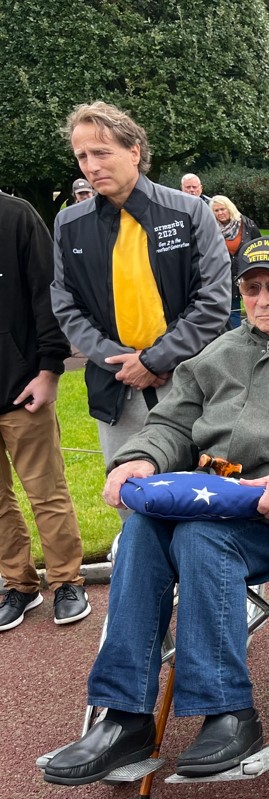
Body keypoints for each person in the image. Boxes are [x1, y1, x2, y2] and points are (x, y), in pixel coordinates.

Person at [42, 235, 269, 786]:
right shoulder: (217, 354)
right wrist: (138, 458)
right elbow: (171, 424)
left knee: (198, 539)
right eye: (252, 288)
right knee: (140, 533)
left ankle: (230, 712)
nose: (264, 299)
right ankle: (124, 716)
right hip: (208, 503)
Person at [51, 101, 230, 479]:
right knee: (130, 502)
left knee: (205, 500)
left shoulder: (189, 211)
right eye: (82, 155)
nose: (91, 166)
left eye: (101, 152)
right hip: (116, 388)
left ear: (134, 151)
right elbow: (67, 305)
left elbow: (214, 299)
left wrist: (153, 360)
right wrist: (119, 361)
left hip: (190, 382)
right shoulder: (68, 224)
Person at [0, 193, 89, 632]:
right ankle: (18, 584)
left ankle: (67, 582)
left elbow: (47, 295)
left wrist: (50, 368)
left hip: (21, 386)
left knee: (46, 492)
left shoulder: (16, 216)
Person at [210, 195, 261, 329]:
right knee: (232, 309)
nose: (220, 213)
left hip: (247, 272)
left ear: (229, 208)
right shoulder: (210, 229)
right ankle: (237, 339)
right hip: (224, 275)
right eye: (216, 210)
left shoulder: (247, 224)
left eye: (223, 209)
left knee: (256, 306)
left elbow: (258, 245)